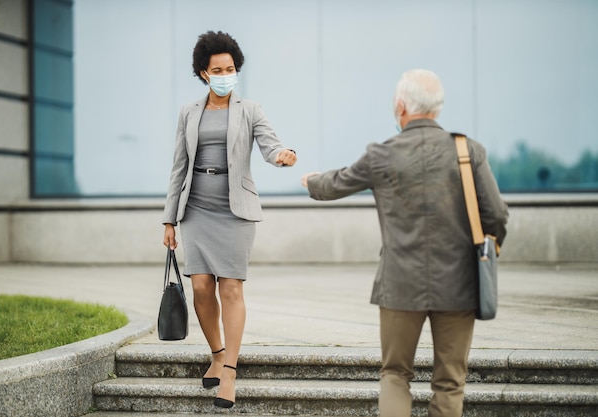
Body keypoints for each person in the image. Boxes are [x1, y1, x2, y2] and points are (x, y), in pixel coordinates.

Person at [301, 69, 508, 417]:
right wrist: (488, 249)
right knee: (450, 381)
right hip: (459, 284)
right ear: (437, 108)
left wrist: (311, 182)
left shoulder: (382, 153)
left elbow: (337, 183)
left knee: (395, 374)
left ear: (400, 106)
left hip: (399, 284)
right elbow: (498, 217)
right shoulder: (468, 150)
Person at [162, 30, 297, 409]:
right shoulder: (189, 112)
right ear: (204, 73)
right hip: (196, 209)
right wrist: (168, 221)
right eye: (217, 69)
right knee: (202, 287)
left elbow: (270, 144)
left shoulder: (250, 109)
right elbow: (178, 168)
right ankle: (217, 353)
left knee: (231, 289)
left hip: (235, 208)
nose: (225, 74)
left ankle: (231, 372)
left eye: (231, 68)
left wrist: (284, 154)